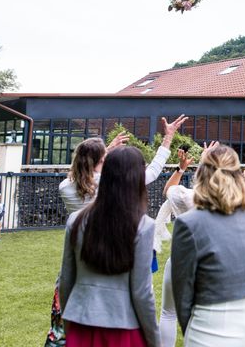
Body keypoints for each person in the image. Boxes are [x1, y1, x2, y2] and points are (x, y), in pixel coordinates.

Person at [45, 115, 187, 347]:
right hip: (121, 314)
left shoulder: (67, 191)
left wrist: (104, 154)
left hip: (81, 307)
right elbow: (151, 172)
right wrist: (167, 138)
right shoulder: (139, 223)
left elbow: (66, 281)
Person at [171, 144, 245, 346]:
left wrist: (190, 327)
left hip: (211, 328)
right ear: (238, 176)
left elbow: (182, 292)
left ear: (202, 175)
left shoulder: (189, 223)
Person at [60, 146, 160, 347]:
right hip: (123, 327)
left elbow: (65, 280)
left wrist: (68, 321)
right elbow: (142, 292)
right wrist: (154, 340)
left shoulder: (76, 220)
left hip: (81, 322)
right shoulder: (143, 225)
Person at [157, 148, 196, 347]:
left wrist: (181, 169)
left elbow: (167, 191)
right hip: (210, 261)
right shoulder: (231, 203)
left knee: (168, 313)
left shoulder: (187, 197)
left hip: (180, 259)